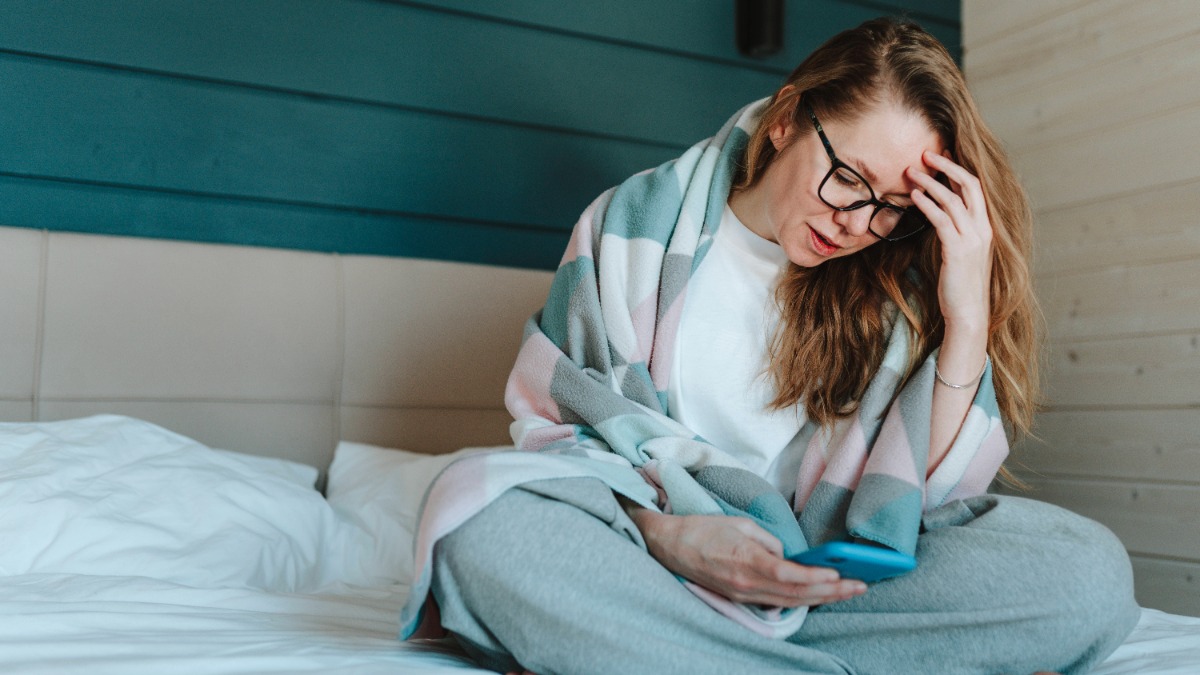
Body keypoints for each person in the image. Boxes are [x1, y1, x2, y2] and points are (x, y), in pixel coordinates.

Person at [400, 17, 1139, 674]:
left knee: (1089, 573)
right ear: (787, 119)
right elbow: (563, 430)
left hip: (829, 589)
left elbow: (926, 500)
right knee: (477, 520)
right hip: (652, 559)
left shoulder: (892, 295)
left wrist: (967, 318)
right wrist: (669, 536)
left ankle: (663, 655)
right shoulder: (631, 227)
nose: (858, 222)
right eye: (849, 177)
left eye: (893, 207)